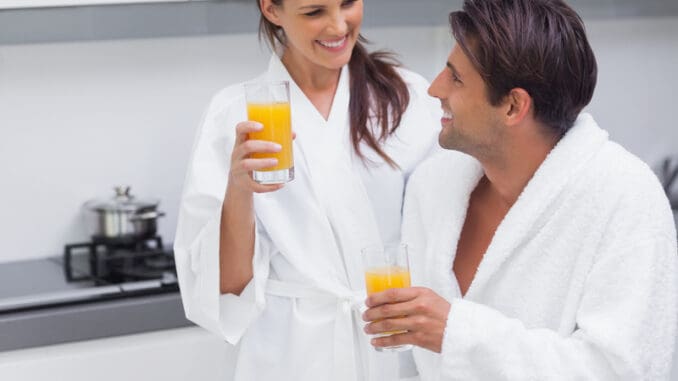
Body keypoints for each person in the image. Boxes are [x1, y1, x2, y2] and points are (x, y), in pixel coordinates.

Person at [362, 0, 678, 379]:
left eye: (455, 78)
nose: (434, 89)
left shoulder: (625, 199)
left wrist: (456, 332)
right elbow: (411, 363)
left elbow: (622, 371)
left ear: (513, 106)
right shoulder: (433, 188)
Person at [173, 0, 440, 380]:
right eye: (314, 12)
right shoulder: (234, 112)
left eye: (347, 3)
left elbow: (447, 231)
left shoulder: (406, 97)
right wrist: (239, 190)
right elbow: (227, 291)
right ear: (271, 9)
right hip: (290, 353)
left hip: (390, 338)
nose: (337, 26)